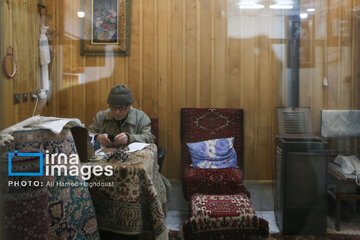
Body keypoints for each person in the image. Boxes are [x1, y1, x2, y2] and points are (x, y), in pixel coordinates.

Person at [88, 84, 155, 147]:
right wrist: (97, 137)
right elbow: (87, 134)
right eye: (113, 107)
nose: (117, 112)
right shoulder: (101, 116)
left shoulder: (141, 117)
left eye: (121, 107)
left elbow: (150, 138)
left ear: (129, 106)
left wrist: (130, 138)